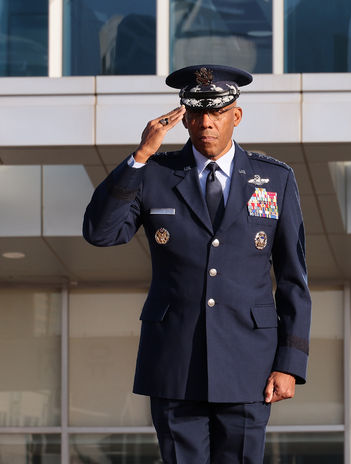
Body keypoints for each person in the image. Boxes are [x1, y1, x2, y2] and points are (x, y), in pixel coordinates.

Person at [83, 64, 311, 463]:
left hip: (250, 365)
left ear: (235, 115)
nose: (207, 123)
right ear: (184, 117)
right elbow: (102, 233)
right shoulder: (154, 174)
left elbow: (293, 279)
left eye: (217, 113)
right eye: (197, 114)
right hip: (174, 363)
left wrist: (289, 364)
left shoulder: (275, 179)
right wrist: (140, 155)